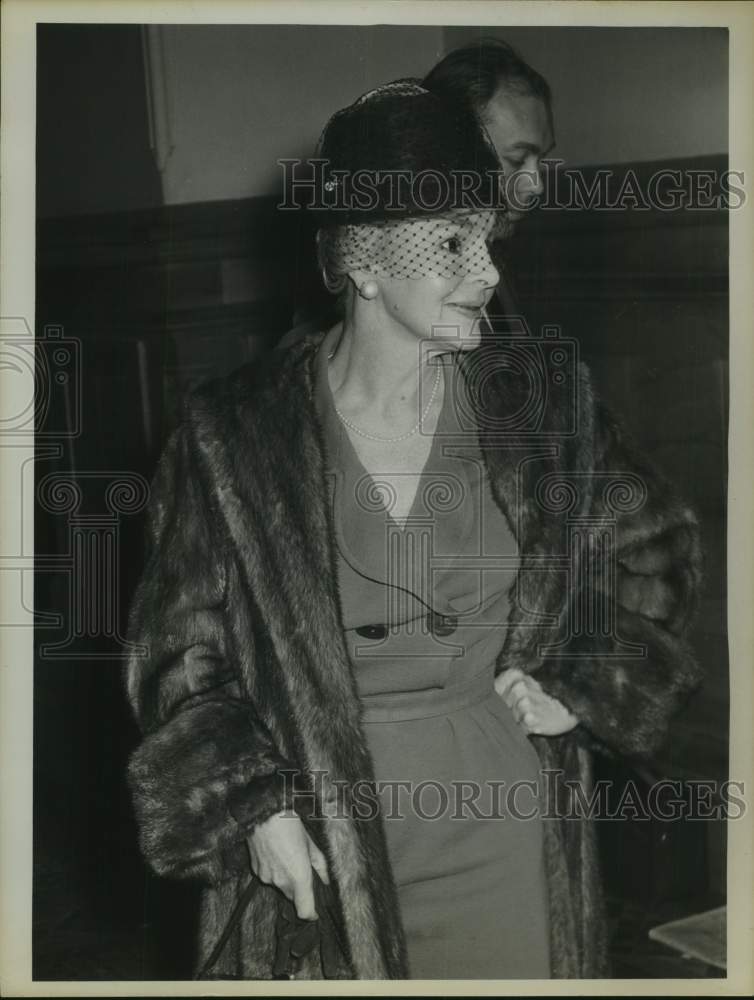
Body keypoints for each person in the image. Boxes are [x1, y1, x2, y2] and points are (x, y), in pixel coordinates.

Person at [124, 80, 703, 980]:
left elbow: (657, 553)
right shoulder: (231, 436)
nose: (489, 270)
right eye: (449, 243)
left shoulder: (536, 403)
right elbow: (181, 659)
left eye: (485, 235)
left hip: (508, 823)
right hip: (320, 839)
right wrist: (251, 805)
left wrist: (584, 683)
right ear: (362, 260)